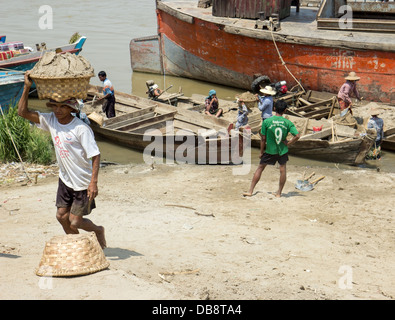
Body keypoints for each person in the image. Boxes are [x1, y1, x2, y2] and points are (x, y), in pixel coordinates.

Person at [18, 71, 107, 249]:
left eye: (63, 107)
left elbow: (95, 155)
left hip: (82, 182)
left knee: (74, 222)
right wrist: (27, 87)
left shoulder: (80, 129)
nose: (58, 110)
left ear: (71, 109)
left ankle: (97, 230)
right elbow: (22, 112)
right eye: (55, 106)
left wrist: (93, 182)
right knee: (61, 216)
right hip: (65, 180)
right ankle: (78, 245)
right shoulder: (51, 120)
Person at [243, 100, 300, 198]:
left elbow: (263, 138)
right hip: (282, 150)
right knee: (282, 170)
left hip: (270, 150)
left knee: (260, 168)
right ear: (285, 110)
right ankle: (279, 193)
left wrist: (261, 152)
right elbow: (297, 136)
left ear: (274, 108)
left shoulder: (267, 121)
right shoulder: (287, 122)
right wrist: (288, 143)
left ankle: (250, 191)